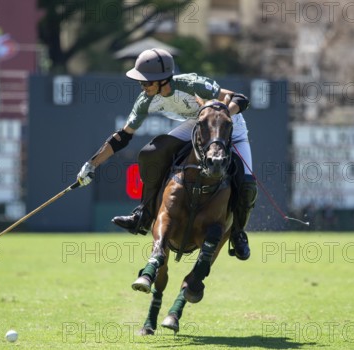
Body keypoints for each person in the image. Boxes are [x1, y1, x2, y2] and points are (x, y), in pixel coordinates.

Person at [76, 48, 257, 260]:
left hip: (229, 128)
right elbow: (123, 136)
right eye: (141, 82)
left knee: (246, 184)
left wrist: (221, 114)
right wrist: (92, 165)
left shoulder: (192, 85)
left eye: (147, 82)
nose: (143, 86)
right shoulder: (145, 100)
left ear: (164, 80)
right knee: (151, 153)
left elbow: (240, 99)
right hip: (196, 126)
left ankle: (237, 233)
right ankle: (143, 214)